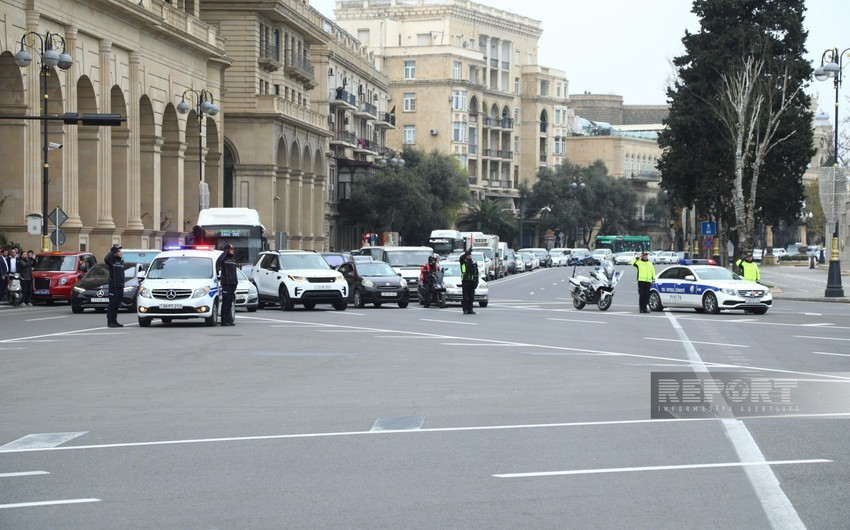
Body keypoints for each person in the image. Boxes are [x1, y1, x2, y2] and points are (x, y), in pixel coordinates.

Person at [216, 243, 239, 326]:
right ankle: (224, 320)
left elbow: (234, 272)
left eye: (233, 249)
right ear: (227, 250)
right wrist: (225, 252)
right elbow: (218, 262)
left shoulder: (232, 259)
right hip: (226, 283)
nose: (233, 251)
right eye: (231, 249)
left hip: (233, 283)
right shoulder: (224, 258)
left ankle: (229, 319)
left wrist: (236, 282)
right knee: (225, 302)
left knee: (230, 302)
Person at [104, 245, 125, 327]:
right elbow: (106, 258)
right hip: (114, 286)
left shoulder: (120, 262)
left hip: (120, 286)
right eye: (119, 251)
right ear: (115, 253)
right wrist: (114, 250)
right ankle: (110, 322)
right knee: (112, 304)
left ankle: (115, 320)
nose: (121, 253)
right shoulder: (111, 262)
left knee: (117, 305)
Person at [460, 248, 479, 315]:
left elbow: (477, 273)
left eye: (470, 255)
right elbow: (461, 257)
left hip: (472, 281)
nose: (469, 256)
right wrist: (467, 251)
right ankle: (465, 309)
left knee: (471, 297)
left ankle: (470, 309)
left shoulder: (474, 262)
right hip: (465, 281)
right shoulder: (463, 261)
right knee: (465, 297)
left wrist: (477, 282)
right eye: (468, 255)